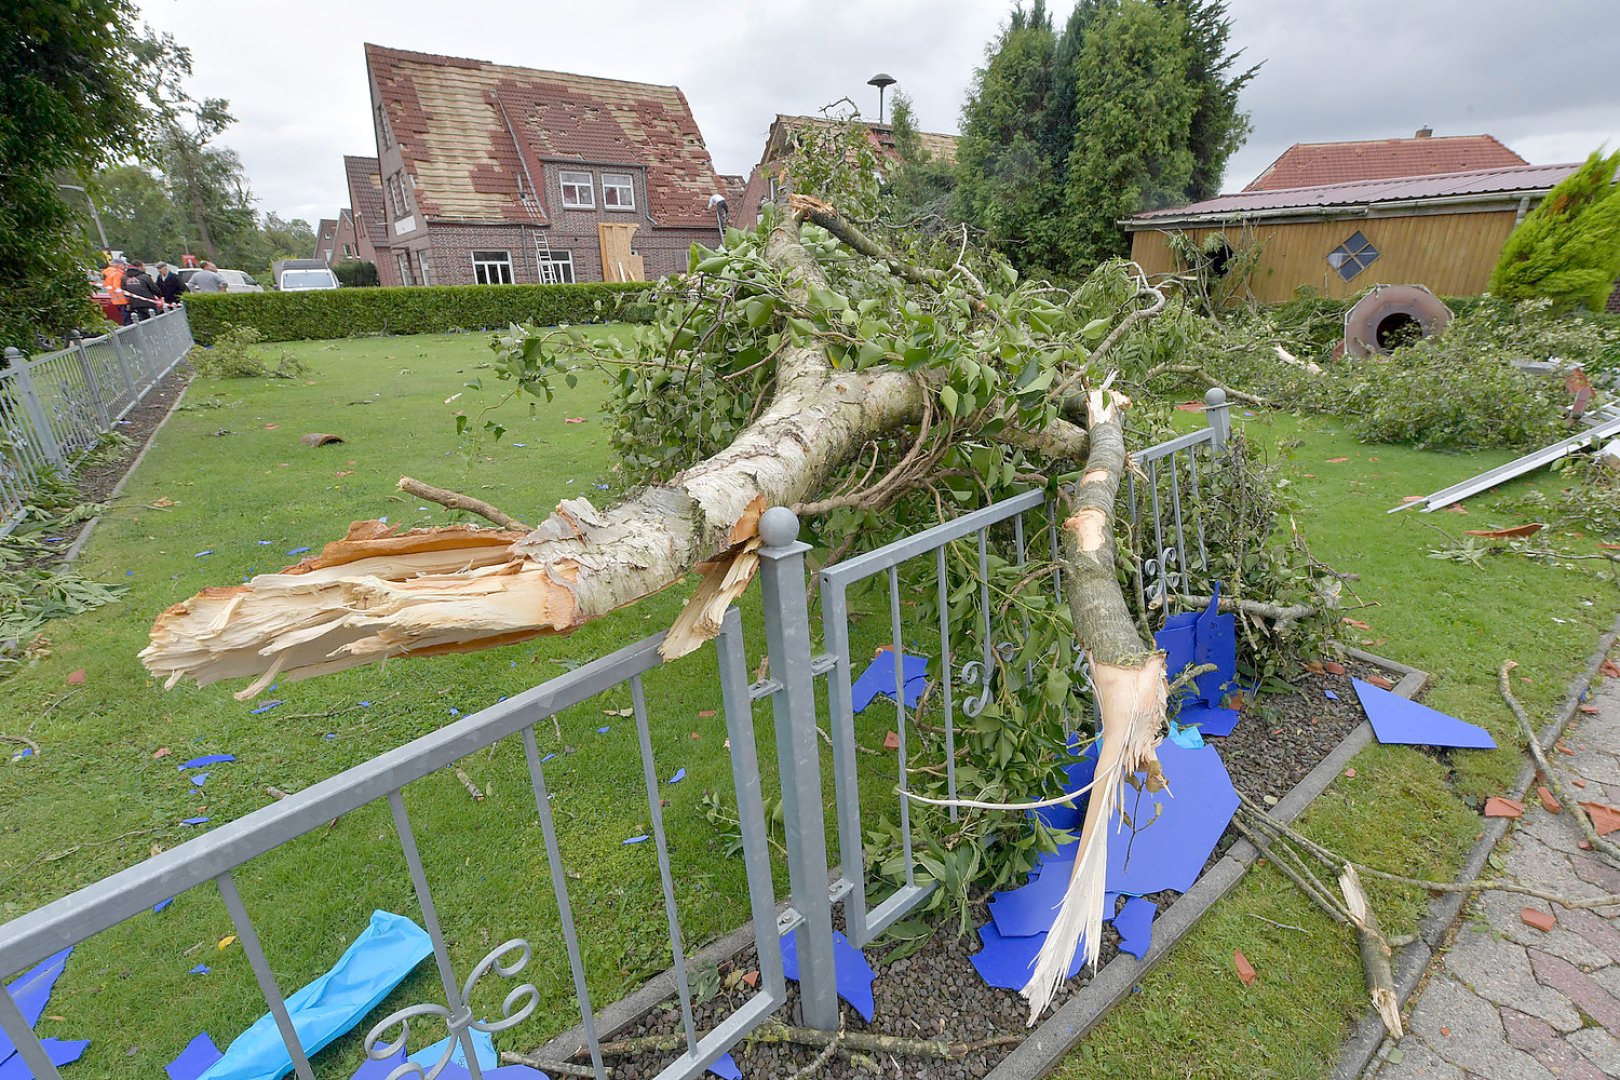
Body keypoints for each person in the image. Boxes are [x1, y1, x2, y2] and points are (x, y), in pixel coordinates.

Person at [101, 257, 128, 323]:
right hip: (121, 300)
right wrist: (126, 301)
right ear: (119, 265)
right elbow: (117, 287)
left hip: (113, 298)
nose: (125, 267)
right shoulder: (117, 274)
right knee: (126, 319)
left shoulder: (107, 272)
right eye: (124, 265)